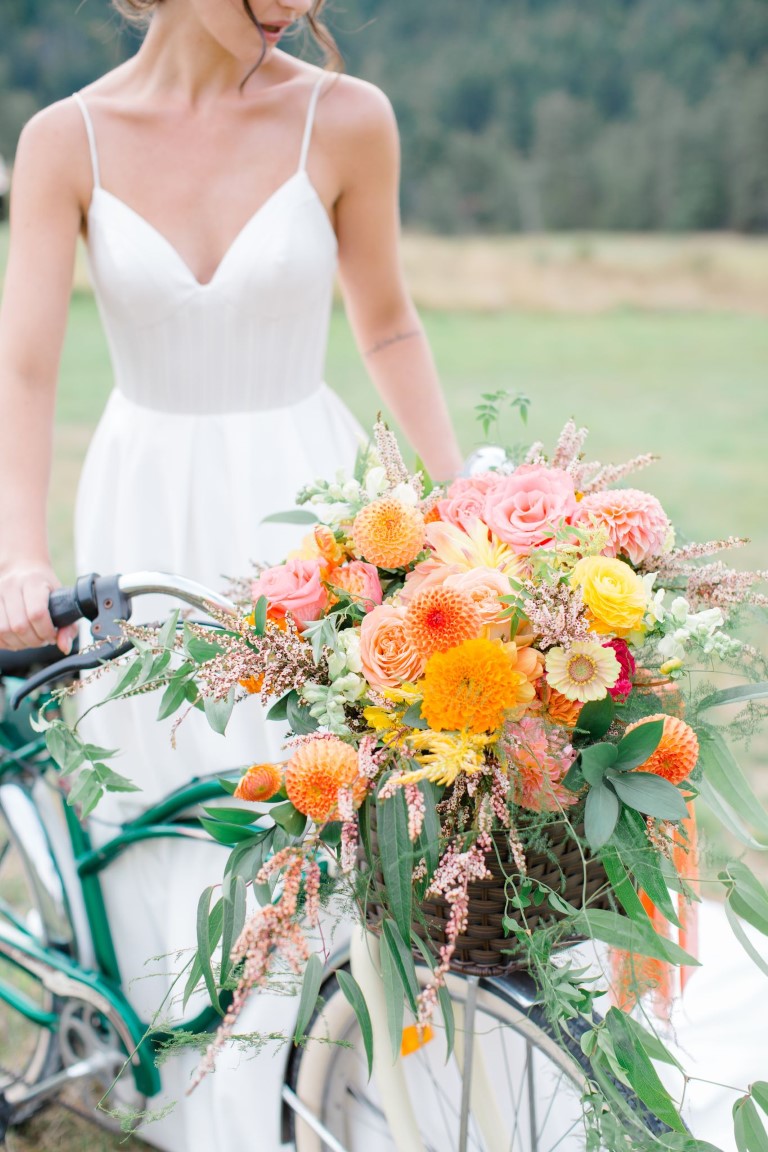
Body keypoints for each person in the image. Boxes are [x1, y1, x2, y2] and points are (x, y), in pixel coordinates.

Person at [0, 0, 462, 1147]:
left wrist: (465, 514)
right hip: (142, 510)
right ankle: (210, 1112)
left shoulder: (347, 120)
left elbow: (389, 322)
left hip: (308, 512)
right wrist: (20, 553)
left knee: (326, 810)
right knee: (176, 821)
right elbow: (23, 366)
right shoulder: (69, 137)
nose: (295, 4)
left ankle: (354, 1094)